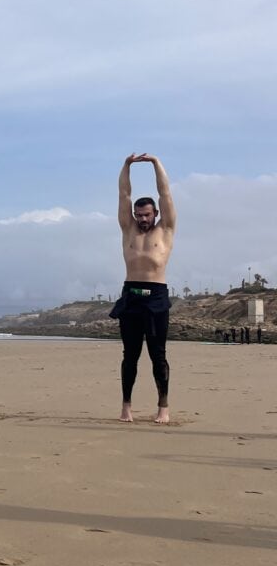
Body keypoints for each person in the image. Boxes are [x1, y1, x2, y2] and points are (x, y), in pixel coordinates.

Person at [109, 154, 175, 424]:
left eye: (147, 215)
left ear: (155, 213)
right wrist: (126, 166)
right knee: (130, 355)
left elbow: (165, 192)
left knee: (158, 355)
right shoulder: (128, 230)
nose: (142, 219)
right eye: (139, 215)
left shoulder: (166, 230)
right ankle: (126, 407)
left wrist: (156, 163)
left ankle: (163, 407)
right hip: (131, 296)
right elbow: (124, 194)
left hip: (156, 296)